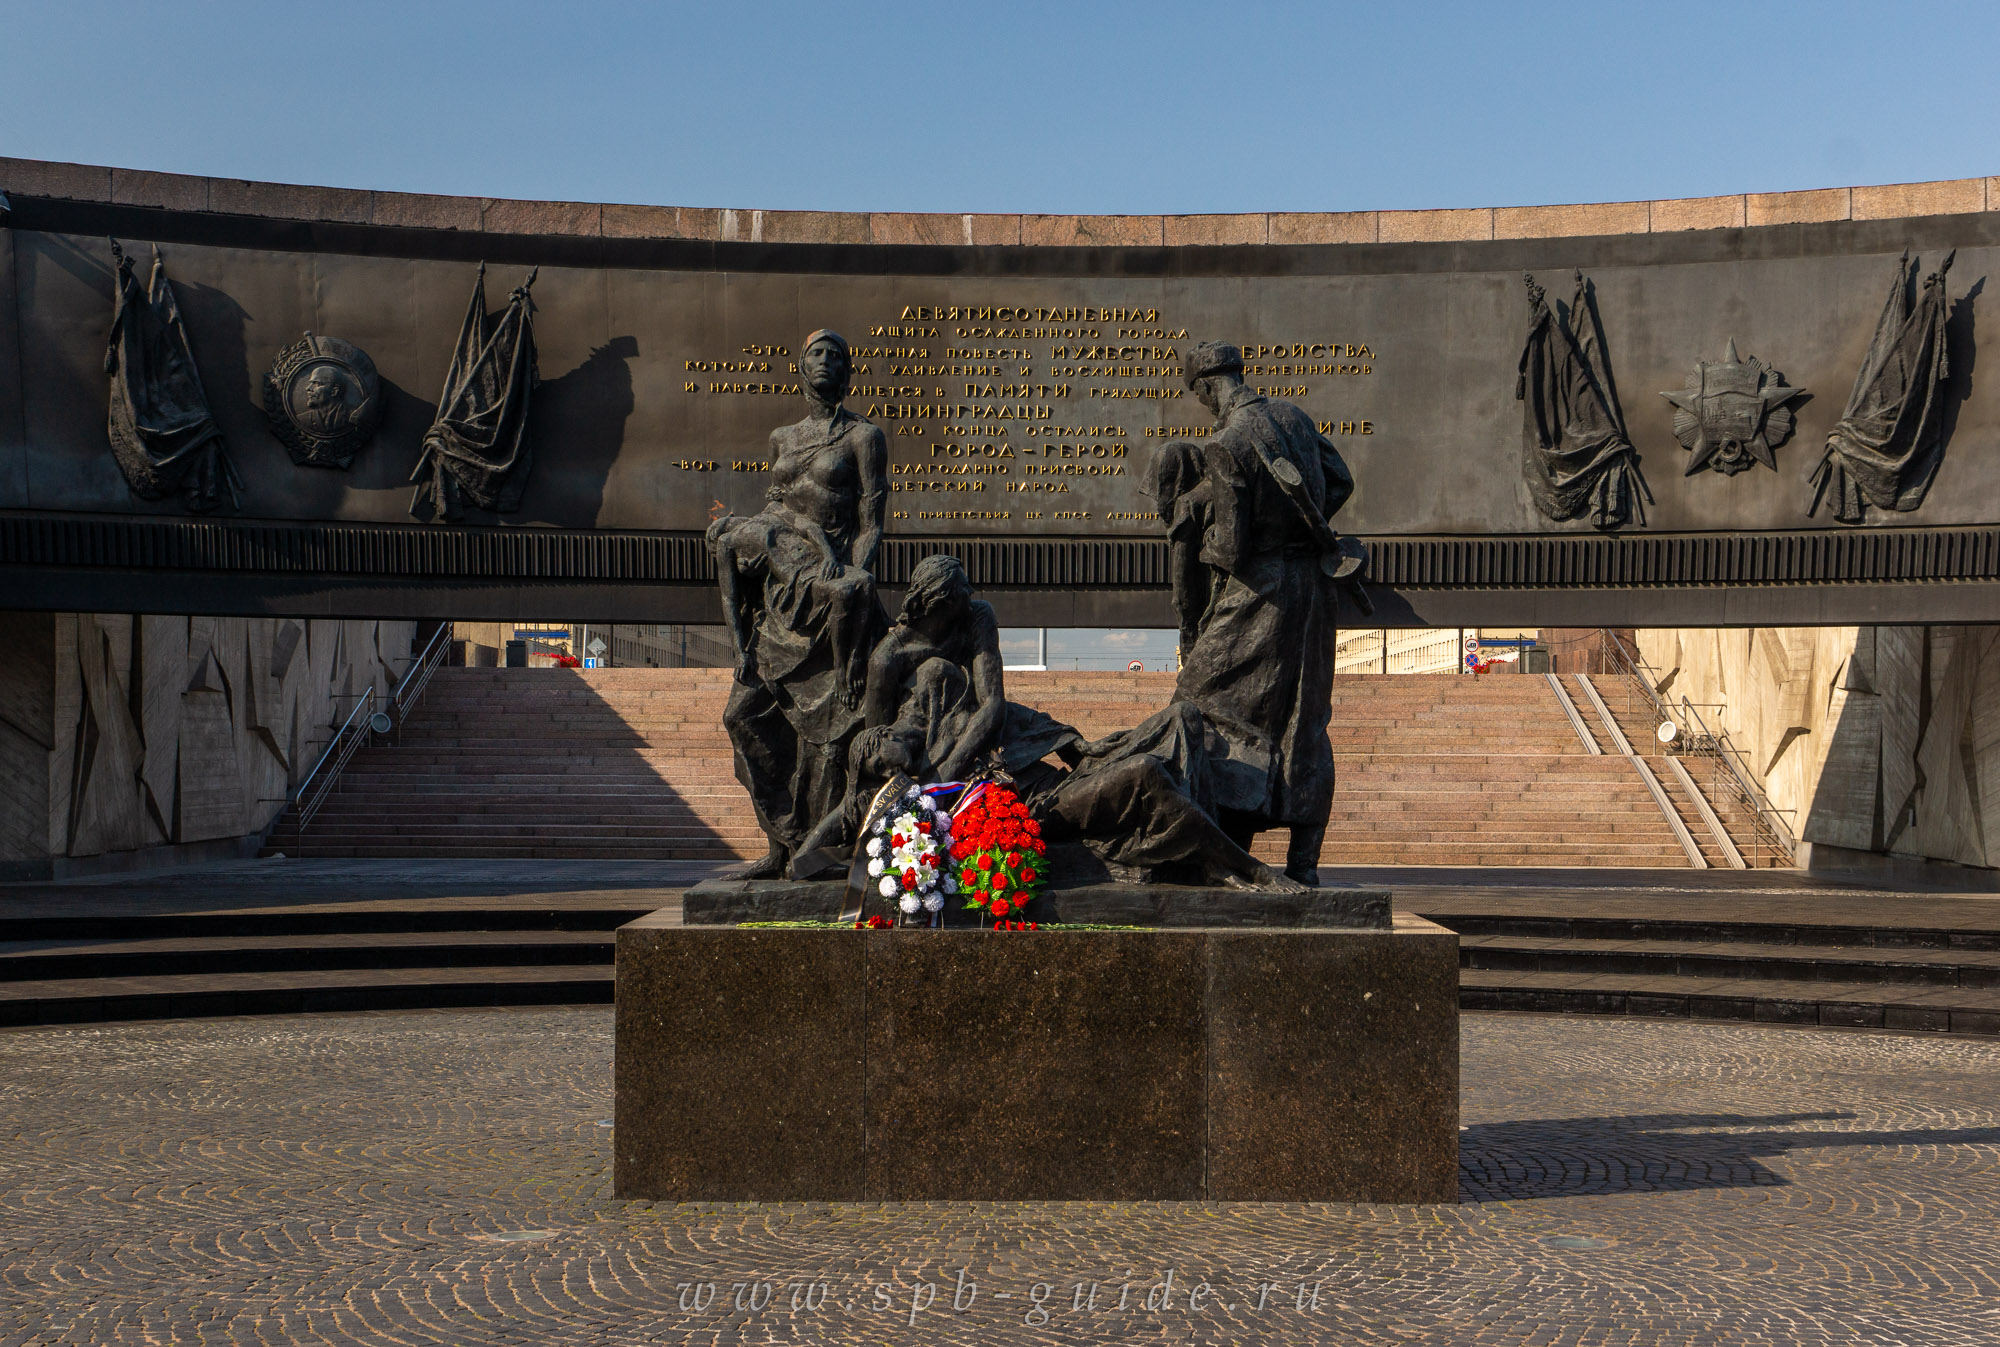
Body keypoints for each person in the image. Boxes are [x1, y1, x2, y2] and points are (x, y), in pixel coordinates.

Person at [706, 330, 889, 879]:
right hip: (781, 596)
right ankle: (779, 840)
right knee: (743, 717)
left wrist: (857, 578)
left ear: (849, 371)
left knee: (829, 735)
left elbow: (871, 521)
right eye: (817, 353)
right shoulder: (782, 437)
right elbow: (776, 505)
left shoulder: (864, 436)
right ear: (800, 368)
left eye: (837, 354)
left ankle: (812, 852)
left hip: (831, 593)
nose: (827, 360)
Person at [1170, 341, 1354, 885]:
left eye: (1199, 394)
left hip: (1260, 593)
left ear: (1206, 386)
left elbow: (1231, 548)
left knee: (1198, 706)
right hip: (1315, 590)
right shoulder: (1294, 417)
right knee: (1303, 716)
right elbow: (1341, 481)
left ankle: (1223, 847)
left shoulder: (1225, 444)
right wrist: (1306, 527)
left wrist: (1195, 530)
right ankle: (1304, 865)